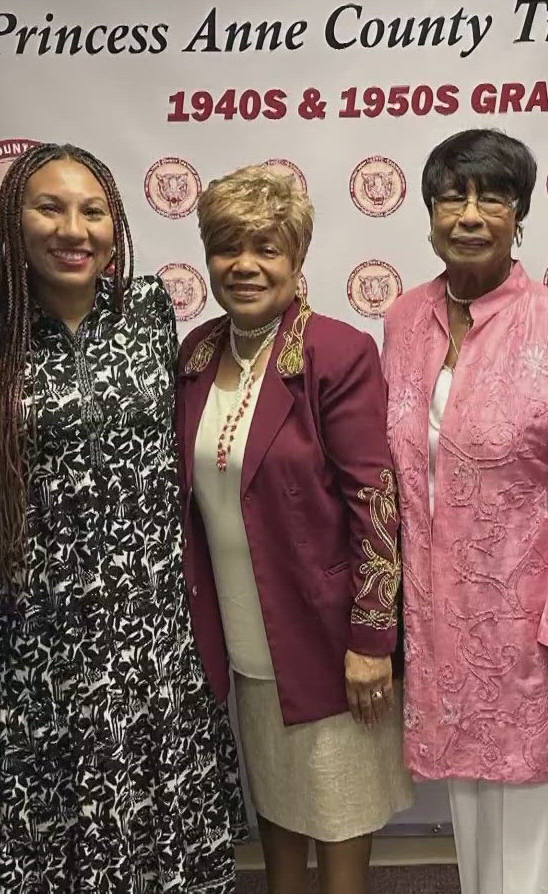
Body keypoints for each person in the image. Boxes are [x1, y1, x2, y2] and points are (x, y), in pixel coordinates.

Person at [0, 143, 246, 892]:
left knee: (168, 828)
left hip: (154, 625)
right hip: (43, 633)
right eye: (50, 207)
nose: (75, 229)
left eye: (93, 211)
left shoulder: (152, 311)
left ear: (115, 222)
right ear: (15, 220)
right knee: (60, 834)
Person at [381, 128, 548, 894]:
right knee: (470, 819)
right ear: (428, 213)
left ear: (519, 212)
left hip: (531, 630)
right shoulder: (401, 321)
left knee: (524, 837)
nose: (470, 213)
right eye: (452, 195)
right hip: (438, 619)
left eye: (492, 195)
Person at [177, 164, 413, 894]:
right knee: (276, 811)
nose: (245, 265)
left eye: (266, 248)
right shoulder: (194, 355)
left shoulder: (334, 354)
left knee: (338, 818)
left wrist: (372, 642)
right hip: (244, 635)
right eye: (227, 247)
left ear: (297, 258)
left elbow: (375, 501)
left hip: (327, 637)